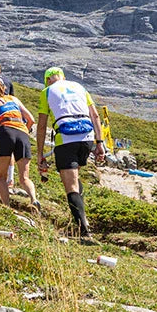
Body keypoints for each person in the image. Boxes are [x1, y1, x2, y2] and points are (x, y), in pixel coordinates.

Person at [36, 66, 105, 243]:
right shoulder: (80, 87)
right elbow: (95, 116)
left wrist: (40, 154)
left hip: (66, 138)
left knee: (71, 185)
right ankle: (82, 218)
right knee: (75, 177)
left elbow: (42, 125)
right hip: (87, 137)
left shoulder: (47, 92)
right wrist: (100, 143)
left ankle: (84, 231)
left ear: (49, 80)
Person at [0, 76, 38, 208]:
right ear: (4, 87)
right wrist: (25, 131)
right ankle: (34, 200)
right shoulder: (14, 99)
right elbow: (31, 119)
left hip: (6, 131)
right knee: (24, 177)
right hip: (22, 132)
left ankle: (6, 207)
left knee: (2, 176)